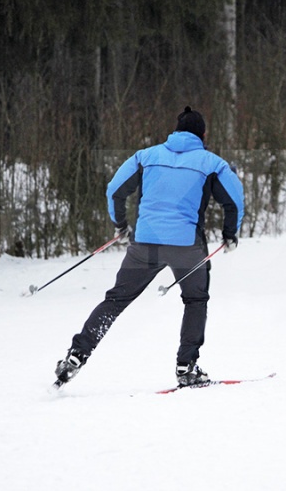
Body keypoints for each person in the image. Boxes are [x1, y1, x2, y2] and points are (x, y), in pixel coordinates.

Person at [54, 106, 244, 387]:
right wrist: (230, 234)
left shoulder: (146, 156)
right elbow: (234, 200)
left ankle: (76, 357)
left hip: (145, 243)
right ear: (203, 135)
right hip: (186, 246)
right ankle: (186, 368)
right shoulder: (212, 163)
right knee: (195, 301)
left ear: (175, 131)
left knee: (116, 300)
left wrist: (120, 223)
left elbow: (114, 190)